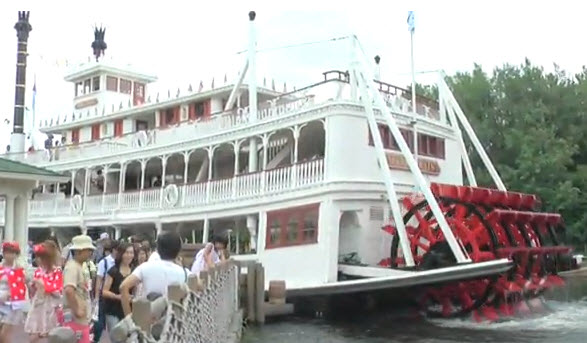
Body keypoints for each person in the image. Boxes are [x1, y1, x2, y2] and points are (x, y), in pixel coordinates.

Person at [120, 232, 188, 316]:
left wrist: (128, 316)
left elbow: (123, 287)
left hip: (147, 320)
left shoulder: (145, 267)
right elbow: (201, 284)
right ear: (178, 250)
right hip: (174, 322)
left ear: (157, 249)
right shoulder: (184, 273)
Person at [24, 241, 63, 342]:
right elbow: (33, 290)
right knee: (34, 333)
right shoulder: (38, 271)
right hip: (38, 304)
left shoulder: (57, 272)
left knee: (51, 334)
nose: (38, 260)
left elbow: (57, 289)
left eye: (41, 257)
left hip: (51, 305)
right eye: (37, 257)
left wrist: (43, 285)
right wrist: (31, 285)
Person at [62, 235, 95, 343]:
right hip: (75, 319)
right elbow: (69, 290)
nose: (90, 253)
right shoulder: (72, 267)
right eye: (88, 250)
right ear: (79, 251)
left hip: (80, 319)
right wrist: (77, 310)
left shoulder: (78, 266)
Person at [102, 243, 134, 337]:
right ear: (121, 254)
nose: (129, 255)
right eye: (126, 252)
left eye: (131, 253)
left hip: (129, 311)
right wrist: (118, 297)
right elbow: (104, 291)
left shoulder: (134, 271)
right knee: (116, 337)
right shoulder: (113, 271)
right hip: (113, 310)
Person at [0, 242, 27, 342]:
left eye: (13, 253)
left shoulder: (19, 269)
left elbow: (24, 284)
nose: (9, 255)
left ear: (16, 254)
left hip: (12, 304)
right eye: (7, 252)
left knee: (4, 334)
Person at [93, 240, 118, 343]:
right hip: (103, 297)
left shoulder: (120, 263)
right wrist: (97, 298)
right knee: (99, 323)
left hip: (114, 297)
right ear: (113, 250)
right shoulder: (105, 262)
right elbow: (99, 280)